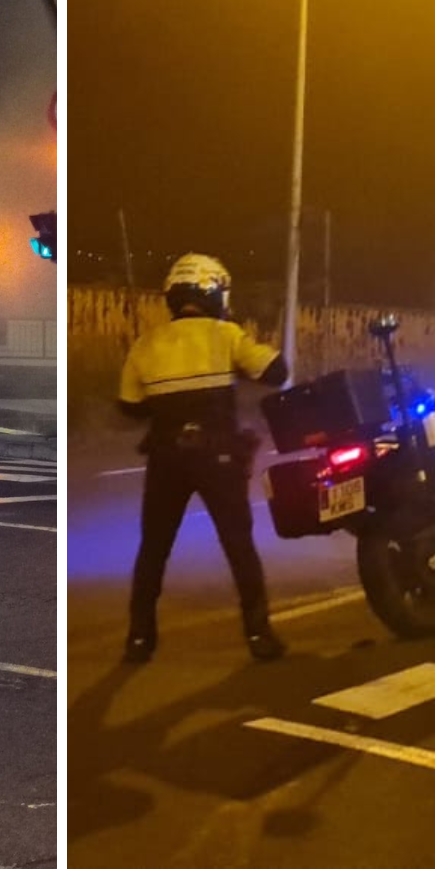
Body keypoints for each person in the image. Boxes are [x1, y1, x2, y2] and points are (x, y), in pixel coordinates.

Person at [117, 253, 289, 664]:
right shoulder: (224, 334)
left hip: (166, 458)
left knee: (154, 548)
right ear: (214, 292)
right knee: (238, 545)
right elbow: (276, 372)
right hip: (219, 458)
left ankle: (140, 639)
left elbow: (129, 405)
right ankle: (258, 633)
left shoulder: (147, 344)